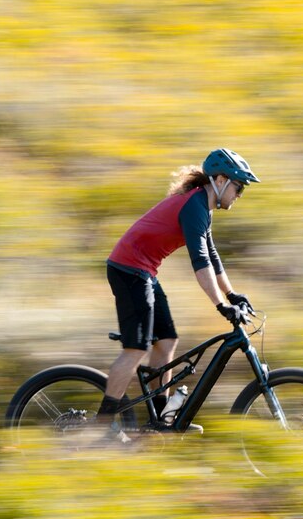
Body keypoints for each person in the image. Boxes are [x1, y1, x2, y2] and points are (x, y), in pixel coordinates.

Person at [97, 148, 260, 436]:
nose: (239, 195)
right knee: (136, 349)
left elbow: (212, 256)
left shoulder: (202, 207)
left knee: (167, 340)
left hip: (143, 271)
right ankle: (101, 426)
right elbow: (199, 263)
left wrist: (232, 295)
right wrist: (220, 305)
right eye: (238, 187)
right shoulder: (195, 206)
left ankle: (160, 418)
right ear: (221, 180)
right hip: (128, 270)